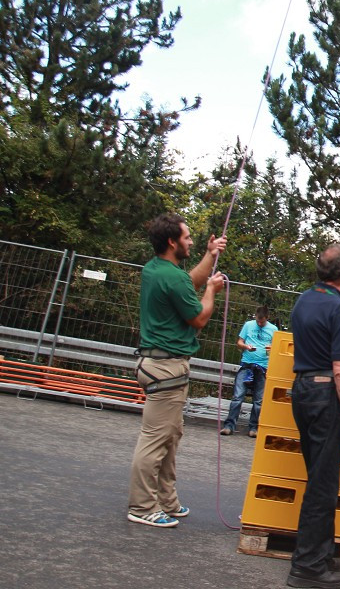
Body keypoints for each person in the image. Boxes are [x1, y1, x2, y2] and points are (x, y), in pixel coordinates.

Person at [127, 213, 226, 528]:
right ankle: (142, 507)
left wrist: (210, 256)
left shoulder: (156, 270)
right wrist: (211, 291)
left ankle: (166, 501)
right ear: (172, 241)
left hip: (156, 365)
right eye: (186, 237)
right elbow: (198, 317)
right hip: (166, 368)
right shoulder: (171, 276)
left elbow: (187, 283)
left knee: (170, 437)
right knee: (155, 440)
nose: (191, 241)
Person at [286, 243, 340, 589]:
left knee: (319, 476)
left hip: (302, 391)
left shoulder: (304, 300)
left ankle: (318, 553)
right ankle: (308, 567)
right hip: (324, 396)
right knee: (322, 484)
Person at [221, 305, 278, 437]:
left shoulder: (274, 329)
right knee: (237, 397)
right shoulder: (248, 325)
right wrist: (246, 346)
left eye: (262, 321)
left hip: (263, 367)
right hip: (247, 365)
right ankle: (229, 426)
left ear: (267, 318)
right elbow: (239, 342)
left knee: (258, 401)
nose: (259, 323)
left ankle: (253, 428)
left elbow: (276, 348)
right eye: (258, 320)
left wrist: (271, 348)